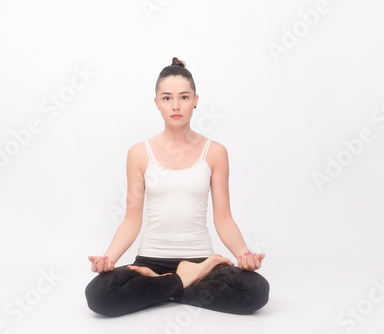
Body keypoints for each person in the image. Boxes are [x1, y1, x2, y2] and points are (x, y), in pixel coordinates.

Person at [85, 57, 269, 317]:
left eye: (183, 97)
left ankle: (164, 286)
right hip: (150, 262)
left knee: (255, 290)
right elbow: (131, 220)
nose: (176, 105)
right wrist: (108, 259)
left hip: (201, 261)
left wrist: (244, 255)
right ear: (157, 103)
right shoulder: (139, 153)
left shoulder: (215, 152)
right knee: (98, 296)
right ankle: (182, 280)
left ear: (195, 100)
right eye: (167, 98)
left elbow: (224, 218)